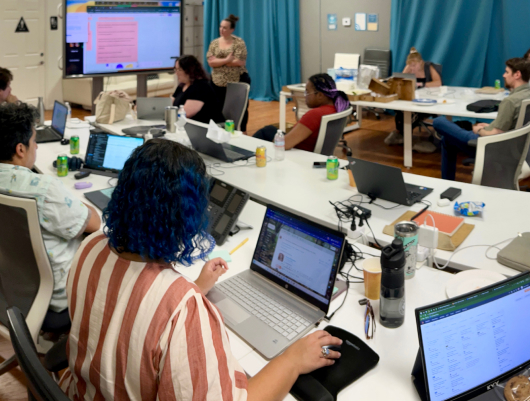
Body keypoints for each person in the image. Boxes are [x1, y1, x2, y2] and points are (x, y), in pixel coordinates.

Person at [59, 139, 341, 401]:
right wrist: (291, 360)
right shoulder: (181, 308)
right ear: (188, 214)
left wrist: (195, 288)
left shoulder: (90, 247)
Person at [0, 103, 101, 315]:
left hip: (12, 280)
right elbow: (93, 223)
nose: (36, 147)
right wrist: (73, 200)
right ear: (20, 149)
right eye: (34, 141)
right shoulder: (44, 190)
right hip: (57, 293)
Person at [432, 58, 530, 181]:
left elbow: (497, 133)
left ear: (517, 74)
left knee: (438, 122)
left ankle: (447, 181)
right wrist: (490, 125)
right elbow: (508, 124)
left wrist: (480, 130)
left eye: (507, 72)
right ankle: (447, 181)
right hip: (515, 147)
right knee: (448, 139)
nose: (504, 75)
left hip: (491, 146)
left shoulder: (510, 101)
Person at [253, 73, 350, 152]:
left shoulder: (315, 115)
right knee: (270, 130)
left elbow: (285, 144)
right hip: (313, 151)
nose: (305, 96)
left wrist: (273, 141)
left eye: (307, 92)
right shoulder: (338, 108)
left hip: (299, 154)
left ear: (320, 95)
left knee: (265, 133)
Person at [384, 48, 443, 152]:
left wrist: (421, 84)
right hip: (412, 97)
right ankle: (400, 133)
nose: (411, 68)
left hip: (427, 99)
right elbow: (400, 80)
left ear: (420, 63)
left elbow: (438, 83)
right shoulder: (409, 67)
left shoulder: (429, 67)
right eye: (410, 65)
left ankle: (405, 134)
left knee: (412, 111)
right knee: (399, 109)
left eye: (414, 65)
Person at [206, 14, 250, 131]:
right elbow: (211, 62)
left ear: (232, 30)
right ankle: (220, 131)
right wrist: (227, 60)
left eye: (225, 27)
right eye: (221, 27)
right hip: (217, 81)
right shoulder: (214, 43)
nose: (222, 29)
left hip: (236, 80)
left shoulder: (238, 42)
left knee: (239, 108)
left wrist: (218, 61)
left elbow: (240, 62)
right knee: (217, 107)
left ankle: (241, 130)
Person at [172, 55, 221, 124]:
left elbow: (186, 113)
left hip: (206, 127)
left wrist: (169, 113)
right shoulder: (182, 85)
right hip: (188, 125)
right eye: (175, 69)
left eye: (179, 69)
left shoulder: (201, 86)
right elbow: (170, 104)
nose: (176, 73)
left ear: (189, 70)